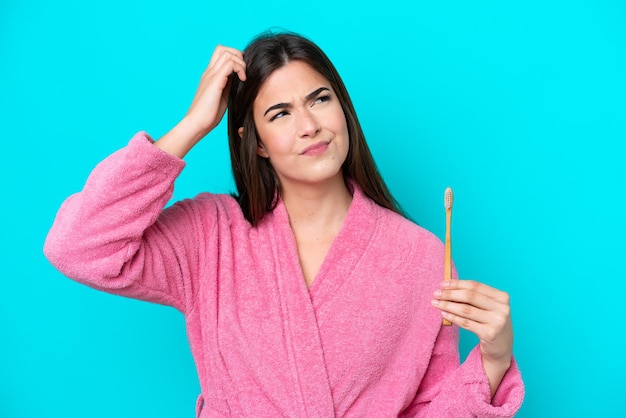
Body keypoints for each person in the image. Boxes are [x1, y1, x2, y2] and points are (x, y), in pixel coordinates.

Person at [44, 31, 524, 417]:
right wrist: (192, 124)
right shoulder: (210, 235)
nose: (309, 125)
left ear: (343, 110)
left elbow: (428, 409)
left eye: (320, 100)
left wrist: (494, 359)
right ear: (255, 142)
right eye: (280, 113)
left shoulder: (421, 257)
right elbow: (78, 245)